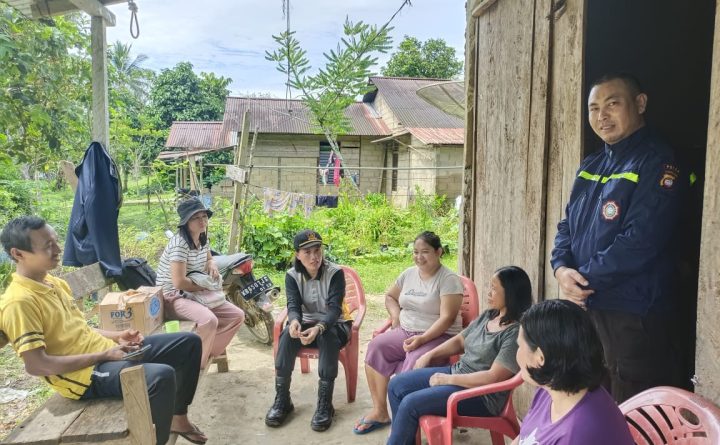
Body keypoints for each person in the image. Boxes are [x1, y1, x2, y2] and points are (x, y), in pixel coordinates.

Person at [0, 216, 206, 445]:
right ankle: (157, 440)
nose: (58, 249)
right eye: (48, 246)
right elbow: (37, 365)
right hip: (82, 376)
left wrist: (117, 337)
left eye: (56, 241)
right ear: (18, 254)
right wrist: (104, 355)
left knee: (189, 343)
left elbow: (79, 329)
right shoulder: (20, 301)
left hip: (105, 353)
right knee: (161, 377)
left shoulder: (54, 283)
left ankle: (178, 419)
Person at [551, 72, 684, 403]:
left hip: (633, 313)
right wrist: (561, 269)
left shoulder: (657, 162)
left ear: (640, 103)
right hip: (590, 306)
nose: (602, 115)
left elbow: (640, 241)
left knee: (631, 405)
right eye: (594, 108)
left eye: (612, 104)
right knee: (594, 398)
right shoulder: (592, 164)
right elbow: (568, 226)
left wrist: (581, 281)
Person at [386, 266, 533, 445]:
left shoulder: (514, 333)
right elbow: (460, 340)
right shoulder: (489, 316)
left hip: (481, 396)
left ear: (511, 294)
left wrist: (447, 379)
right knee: (396, 385)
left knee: (410, 404)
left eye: (494, 288)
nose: (488, 292)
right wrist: (430, 355)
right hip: (458, 373)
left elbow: (493, 377)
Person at [354, 231, 464, 435]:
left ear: (439, 252)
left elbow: (447, 318)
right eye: (415, 252)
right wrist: (395, 316)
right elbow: (390, 296)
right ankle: (380, 411)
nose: (419, 257)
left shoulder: (448, 279)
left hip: (439, 335)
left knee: (415, 360)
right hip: (406, 330)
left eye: (425, 252)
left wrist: (422, 339)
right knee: (376, 347)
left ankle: (405, 424)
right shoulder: (408, 274)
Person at [265, 229, 353, 432]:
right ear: (297, 255)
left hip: (335, 324)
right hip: (306, 322)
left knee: (327, 337)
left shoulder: (335, 273)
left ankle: (325, 405)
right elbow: (293, 305)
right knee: (286, 336)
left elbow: (335, 309)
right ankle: (283, 401)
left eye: (317, 250)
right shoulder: (292, 275)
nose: (314, 257)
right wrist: (295, 322)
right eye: (307, 252)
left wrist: (319, 327)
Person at [513, 299, 634, 445]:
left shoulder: (577, 434)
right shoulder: (550, 388)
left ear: (540, 358)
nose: (517, 353)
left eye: (519, 346)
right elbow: (524, 436)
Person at [156, 197, 245, 369]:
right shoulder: (180, 244)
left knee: (237, 316)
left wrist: (211, 264)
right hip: (173, 297)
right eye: (196, 218)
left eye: (204, 216)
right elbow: (179, 282)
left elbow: (209, 258)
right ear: (186, 223)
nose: (202, 220)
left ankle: (202, 353)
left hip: (195, 294)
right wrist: (206, 286)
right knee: (209, 321)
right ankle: (197, 366)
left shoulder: (202, 238)